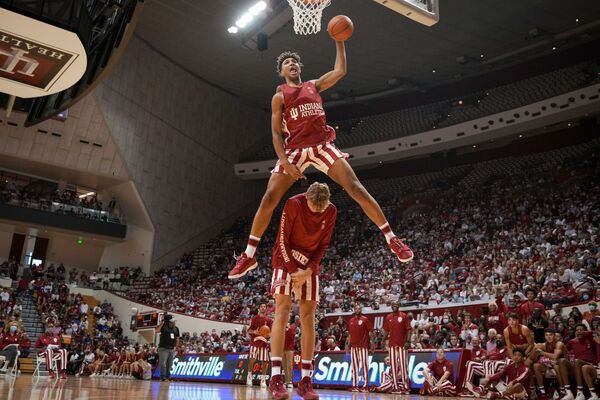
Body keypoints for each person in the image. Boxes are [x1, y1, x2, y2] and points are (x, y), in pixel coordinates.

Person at [227, 40, 413, 280]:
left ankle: (392, 239)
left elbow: (340, 71)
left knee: (356, 188)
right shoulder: (279, 96)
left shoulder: (313, 85)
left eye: (294, 61)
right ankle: (249, 255)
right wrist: (284, 162)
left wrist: (340, 41)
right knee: (269, 198)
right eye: (286, 63)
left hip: (322, 146)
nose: (291, 63)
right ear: (282, 72)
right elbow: (275, 133)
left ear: (299, 68)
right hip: (294, 149)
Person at [268, 182, 336, 400]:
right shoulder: (293, 204)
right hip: (284, 259)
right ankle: (276, 378)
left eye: (321, 208)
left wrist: (308, 271)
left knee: (308, 318)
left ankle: (306, 380)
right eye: (314, 207)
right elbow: (282, 240)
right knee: (283, 311)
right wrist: (292, 271)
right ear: (307, 198)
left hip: (308, 265)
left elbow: (323, 245)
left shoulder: (331, 210)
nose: (318, 210)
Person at [558, 324, 598, 400]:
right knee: (562, 361)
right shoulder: (572, 341)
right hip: (577, 365)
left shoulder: (591, 339)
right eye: (577, 330)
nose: (579, 331)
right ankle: (568, 392)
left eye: (581, 329)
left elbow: (594, 332)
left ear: (586, 330)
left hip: (591, 365)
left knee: (577, 361)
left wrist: (583, 333)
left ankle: (580, 392)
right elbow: (565, 351)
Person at [381, 301, 411, 393]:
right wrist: (382, 340)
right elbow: (386, 331)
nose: (395, 306)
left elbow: (409, 329)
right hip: (392, 345)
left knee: (403, 365)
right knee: (393, 366)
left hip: (402, 345)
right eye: (393, 305)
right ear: (391, 306)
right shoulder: (388, 317)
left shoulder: (404, 316)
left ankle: (406, 387)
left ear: (399, 306)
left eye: (397, 305)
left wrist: (408, 341)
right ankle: (395, 386)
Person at [530, 328, 565, 400]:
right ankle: (542, 392)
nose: (548, 337)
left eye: (551, 335)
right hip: (550, 365)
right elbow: (531, 359)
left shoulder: (559, 344)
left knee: (556, 366)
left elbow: (555, 357)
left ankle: (562, 391)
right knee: (536, 366)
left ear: (554, 336)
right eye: (546, 335)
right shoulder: (542, 345)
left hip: (564, 365)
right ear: (544, 336)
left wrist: (543, 353)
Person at [347, 304, 374, 392]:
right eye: (356, 308)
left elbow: (371, 331)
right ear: (354, 310)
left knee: (365, 366)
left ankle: (365, 385)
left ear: (361, 310)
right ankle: (355, 385)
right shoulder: (351, 320)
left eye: (359, 308)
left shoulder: (365, 319)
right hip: (354, 346)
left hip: (363, 346)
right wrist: (348, 344)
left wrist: (372, 344)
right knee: (354, 366)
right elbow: (350, 334)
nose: (357, 309)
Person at [247, 303, 272, 388]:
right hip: (255, 341)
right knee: (252, 358)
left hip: (264, 342)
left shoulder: (269, 320)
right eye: (261, 306)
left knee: (265, 362)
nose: (263, 308)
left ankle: (263, 379)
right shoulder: (254, 319)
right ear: (259, 308)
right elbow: (249, 330)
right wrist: (254, 332)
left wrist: (269, 335)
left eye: (265, 306)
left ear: (266, 309)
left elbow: (271, 332)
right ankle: (249, 375)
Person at [156, 314, 179, 382]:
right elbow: (157, 330)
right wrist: (161, 324)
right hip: (163, 348)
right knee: (163, 363)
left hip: (172, 349)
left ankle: (168, 377)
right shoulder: (163, 327)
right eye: (172, 321)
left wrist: (176, 347)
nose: (173, 323)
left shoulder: (176, 328)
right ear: (168, 322)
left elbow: (177, 338)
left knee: (169, 364)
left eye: (174, 321)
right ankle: (163, 377)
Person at [283, 319, 297, 389]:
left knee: (289, 365)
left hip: (289, 349)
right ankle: (286, 381)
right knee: (284, 366)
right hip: (282, 349)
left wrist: (288, 329)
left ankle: (290, 381)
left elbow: (292, 337)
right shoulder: (281, 327)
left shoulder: (292, 327)